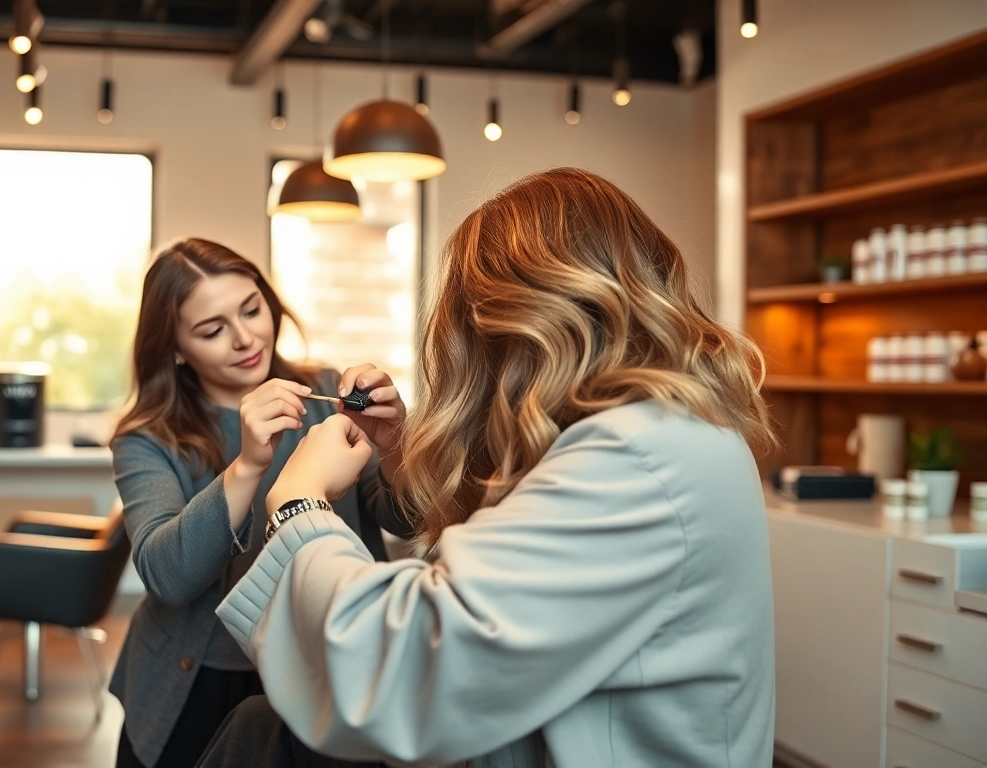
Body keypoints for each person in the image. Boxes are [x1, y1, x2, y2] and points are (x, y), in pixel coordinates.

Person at [202, 168, 778, 768]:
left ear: (523, 321)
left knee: (259, 736)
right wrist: (397, 450)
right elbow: (492, 565)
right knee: (258, 729)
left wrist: (298, 503)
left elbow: (406, 669)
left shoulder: (634, 458)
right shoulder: (662, 432)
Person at [108, 238, 414, 768]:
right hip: (201, 676)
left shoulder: (324, 392)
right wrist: (248, 464)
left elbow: (403, 519)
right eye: (212, 329)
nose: (246, 337)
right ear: (176, 347)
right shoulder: (148, 439)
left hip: (325, 660)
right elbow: (167, 575)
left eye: (252, 310)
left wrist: (394, 450)